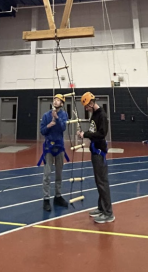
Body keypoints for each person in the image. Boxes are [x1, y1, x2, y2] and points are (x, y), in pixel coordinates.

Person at [77, 92, 115, 223]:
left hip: (99, 152)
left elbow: (101, 134)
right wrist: (84, 134)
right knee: (99, 182)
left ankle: (108, 213)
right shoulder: (94, 115)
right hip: (94, 151)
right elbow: (93, 132)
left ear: (92, 103)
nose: (86, 109)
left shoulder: (102, 115)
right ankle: (101, 208)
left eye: (87, 106)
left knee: (102, 182)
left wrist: (85, 134)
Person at [39, 94, 69, 212]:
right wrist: (48, 125)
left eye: (58, 100)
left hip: (60, 147)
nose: (56, 101)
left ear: (62, 104)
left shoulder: (64, 115)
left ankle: (58, 196)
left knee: (59, 173)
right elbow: (42, 131)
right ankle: (46, 199)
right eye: (55, 100)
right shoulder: (46, 115)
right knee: (47, 173)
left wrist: (56, 118)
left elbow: (63, 128)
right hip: (49, 147)